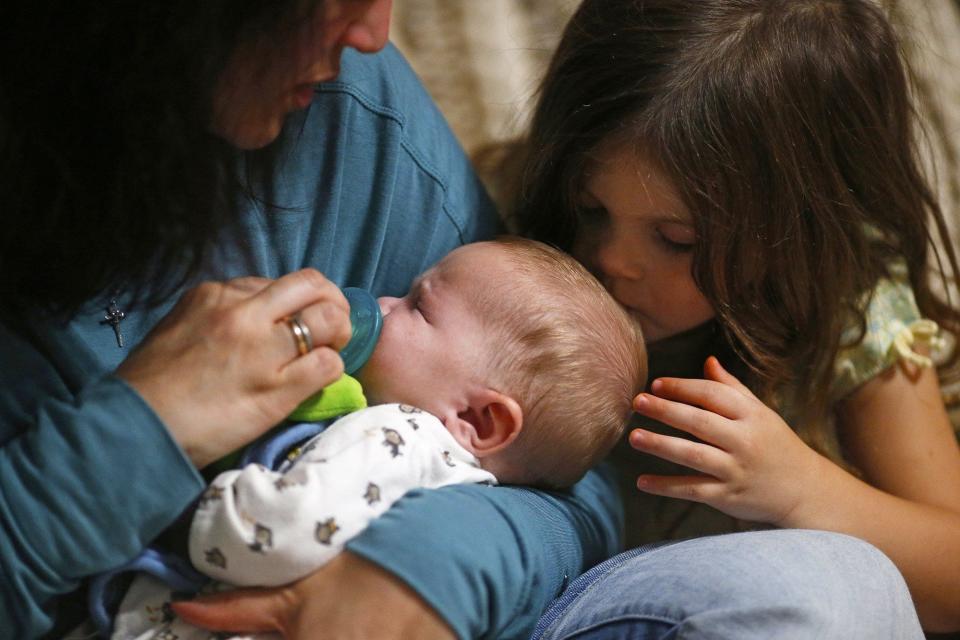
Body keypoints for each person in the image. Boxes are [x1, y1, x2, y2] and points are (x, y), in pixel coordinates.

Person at [0, 3, 926, 640]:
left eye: (679, 237)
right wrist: (134, 438)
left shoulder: (348, 109)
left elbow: (569, 459)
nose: (373, 33)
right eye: (592, 213)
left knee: (834, 589)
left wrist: (425, 574)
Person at [511, 0, 960, 635]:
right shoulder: (520, 220)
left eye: (677, 240)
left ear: (801, 232)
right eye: (589, 209)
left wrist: (803, 489)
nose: (611, 260)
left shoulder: (846, 307)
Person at [108, 237, 646, 640]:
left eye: (419, 306)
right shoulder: (467, 484)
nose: (383, 302)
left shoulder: (399, 435)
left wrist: (190, 497)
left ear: (479, 420)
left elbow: (277, 532)